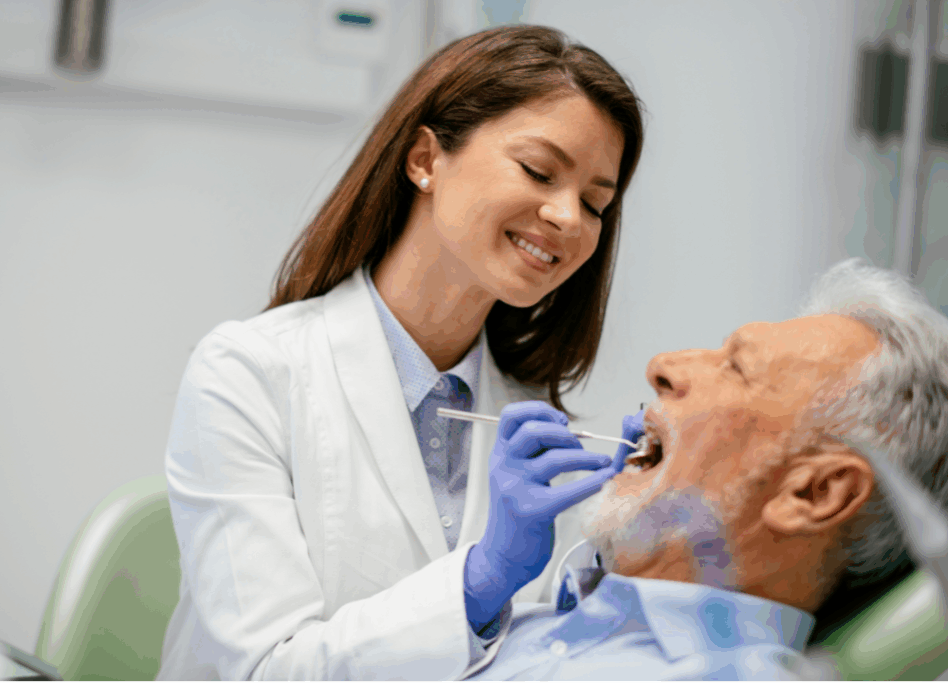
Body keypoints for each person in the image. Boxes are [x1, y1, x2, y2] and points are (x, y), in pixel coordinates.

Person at [156, 25, 646, 680]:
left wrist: (615, 554)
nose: (568, 218)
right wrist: (478, 581)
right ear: (424, 160)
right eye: (538, 170)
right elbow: (265, 669)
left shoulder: (535, 424)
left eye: (595, 203)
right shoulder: (248, 374)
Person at [458, 258, 948, 680]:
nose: (663, 366)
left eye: (736, 367)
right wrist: (473, 597)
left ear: (814, 493)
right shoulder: (524, 618)